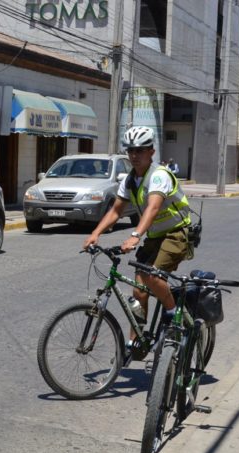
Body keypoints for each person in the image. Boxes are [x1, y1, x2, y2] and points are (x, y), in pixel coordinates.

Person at [84, 126, 191, 350]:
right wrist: (95, 233)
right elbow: (115, 211)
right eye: (131, 150)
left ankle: (173, 313)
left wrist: (134, 236)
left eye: (140, 150)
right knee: (138, 290)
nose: (134, 155)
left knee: (152, 276)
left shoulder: (159, 175)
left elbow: (152, 208)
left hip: (177, 234)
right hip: (154, 237)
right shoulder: (130, 180)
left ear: (151, 152)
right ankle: (136, 341)